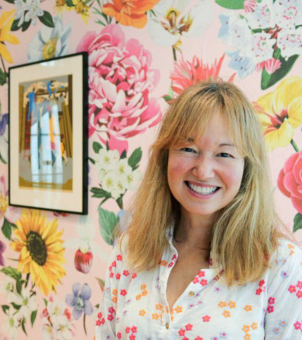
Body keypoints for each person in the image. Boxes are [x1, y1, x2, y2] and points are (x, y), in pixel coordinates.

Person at [95, 81, 302, 339]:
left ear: (247, 167)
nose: (203, 171)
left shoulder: (280, 264)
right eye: (188, 149)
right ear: (165, 157)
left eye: (224, 154)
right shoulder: (130, 249)